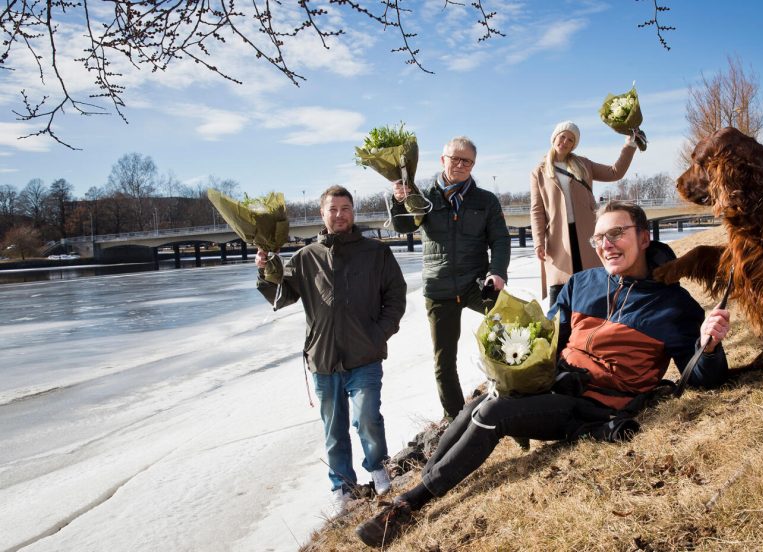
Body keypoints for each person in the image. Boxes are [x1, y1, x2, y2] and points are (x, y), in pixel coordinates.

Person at [355, 200, 731, 547]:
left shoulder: (675, 305)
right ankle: (412, 496)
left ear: (645, 237)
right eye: (599, 237)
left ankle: (409, 505)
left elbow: (703, 381)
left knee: (491, 414)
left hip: (597, 406)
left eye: (617, 233)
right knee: (480, 404)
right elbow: (546, 340)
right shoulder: (582, 283)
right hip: (556, 384)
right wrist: (513, 365)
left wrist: (708, 345)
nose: (607, 244)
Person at [255, 185, 407, 513]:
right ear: (322, 214)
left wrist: (379, 334)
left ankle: (378, 469)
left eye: (345, 208)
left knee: (367, 418)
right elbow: (280, 297)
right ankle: (343, 487)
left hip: (364, 356)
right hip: (322, 360)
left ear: (354, 212)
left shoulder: (376, 253)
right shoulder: (306, 257)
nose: (339, 215)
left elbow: (396, 296)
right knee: (334, 430)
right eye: (332, 209)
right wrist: (264, 271)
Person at [390, 136, 511, 421]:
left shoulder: (486, 200)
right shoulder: (423, 197)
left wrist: (498, 272)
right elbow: (404, 227)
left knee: (510, 336)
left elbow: (501, 239)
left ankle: (513, 395)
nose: (459, 164)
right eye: (454, 158)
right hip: (439, 287)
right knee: (444, 361)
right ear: (442, 159)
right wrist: (400, 202)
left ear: (473, 164)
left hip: (477, 284)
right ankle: (456, 419)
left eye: (466, 160)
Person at [530, 120, 643, 301]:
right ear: (554, 138)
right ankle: (561, 327)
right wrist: (538, 242)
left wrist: (629, 145)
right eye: (563, 137)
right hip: (558, 238)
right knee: (559, 294)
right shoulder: (539, 172)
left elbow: (615, 172)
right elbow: (537, 211)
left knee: (592, 287)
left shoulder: (584, 164)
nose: (565, 142)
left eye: (570, 140)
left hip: (586, 233)